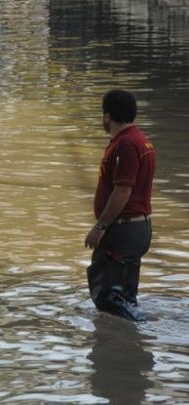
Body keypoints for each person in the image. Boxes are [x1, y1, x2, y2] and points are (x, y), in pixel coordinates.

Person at [84, 89, 156, 321]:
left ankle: (137, 335)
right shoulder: (142, 141)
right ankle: (131, 346)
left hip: (123, 230)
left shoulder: (125, 144)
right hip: (137, 228)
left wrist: (100, 227)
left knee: (107, 296)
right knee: (124, 296)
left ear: (107, 116)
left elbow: (123, 190)